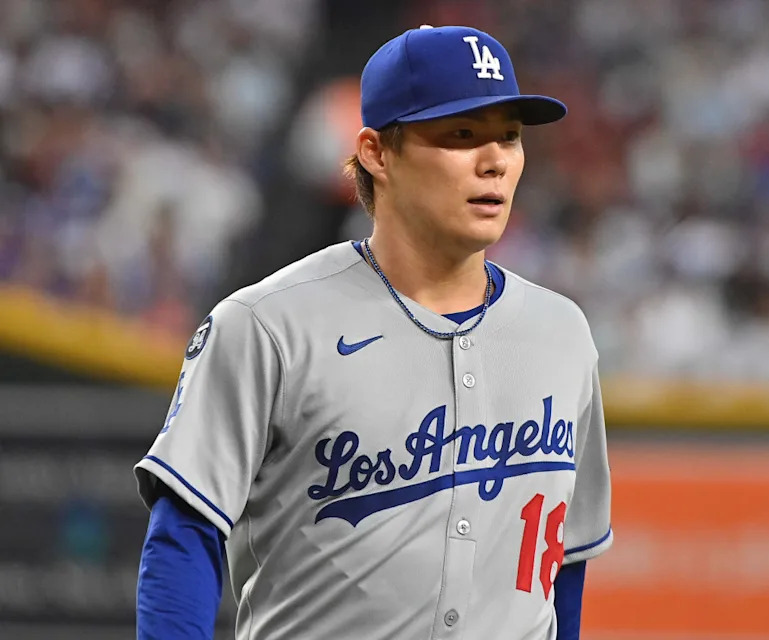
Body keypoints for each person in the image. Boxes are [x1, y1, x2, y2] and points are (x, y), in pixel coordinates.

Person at [134, 24, 613, 640]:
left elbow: (564, 565)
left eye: (510, 137)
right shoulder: (267, 324)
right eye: (462, 135)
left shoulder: (563, 333)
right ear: (376, 152)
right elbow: (184, 535)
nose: (494, 160)